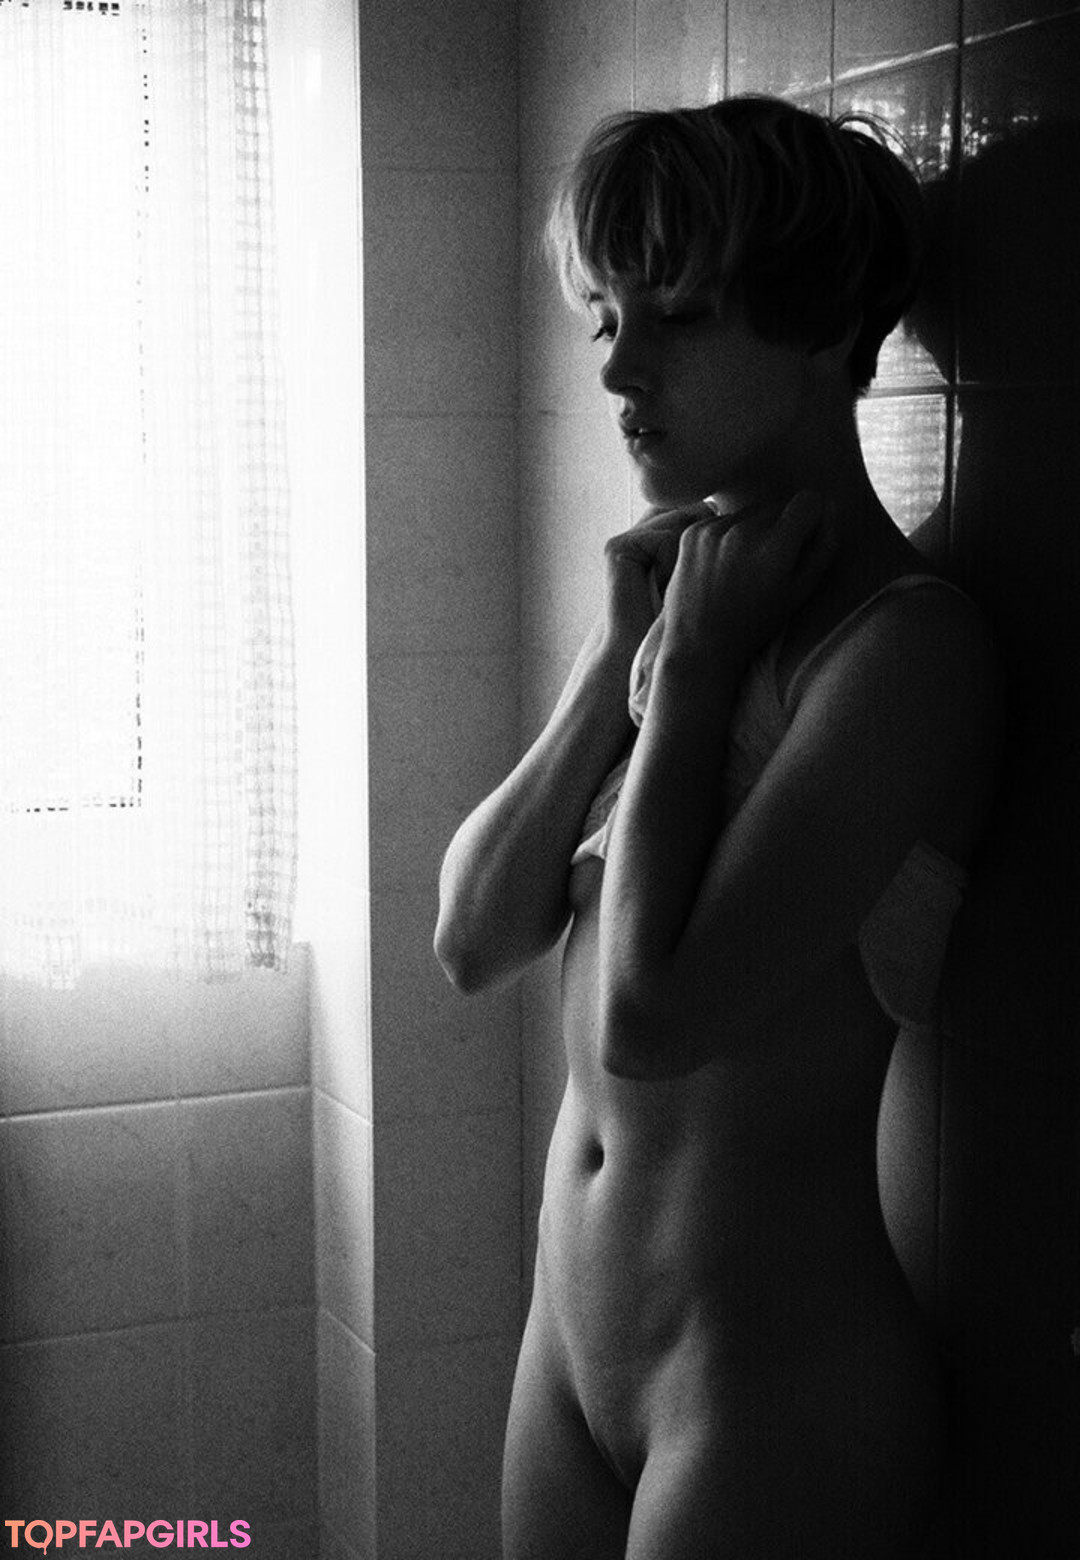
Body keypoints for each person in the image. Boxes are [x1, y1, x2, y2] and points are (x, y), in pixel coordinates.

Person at [434, 95, 1000, 1560]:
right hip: (571, 1349)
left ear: (827, 332)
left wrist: (685, 678)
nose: (619, 365)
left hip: (770, 1386)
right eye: (607, 316)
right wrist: (612, 659)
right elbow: (472, 937)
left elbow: (653, 1017)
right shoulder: (677, 609)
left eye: (676, 316)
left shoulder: (906, 650)